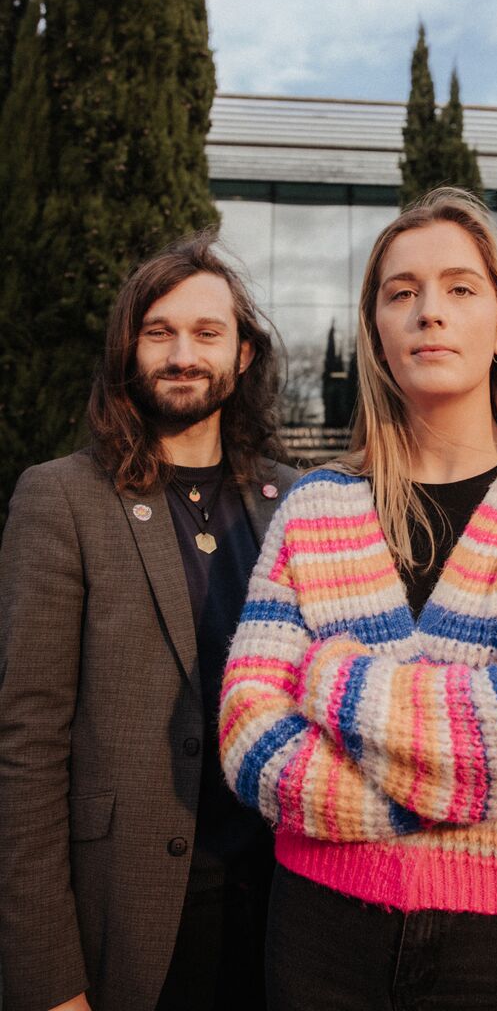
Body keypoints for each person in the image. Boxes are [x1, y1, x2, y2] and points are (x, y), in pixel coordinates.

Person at [220, 187, 497, 1011]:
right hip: (323, 936)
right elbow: (249, 740)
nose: (427, 312)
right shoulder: (314, 507)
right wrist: (479, 740)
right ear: (376, 330)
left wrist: (331, 677)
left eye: (458, 288)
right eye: (400, 293)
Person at [0, 231, 297, 1011]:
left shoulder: (299, 500)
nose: (181, 354)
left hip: (287, 913)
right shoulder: (60, 499)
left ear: (242, 355)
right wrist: (47, 979)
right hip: (132, 917)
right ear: (128, 349)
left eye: (206, 333)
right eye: (158, 332)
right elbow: (25, 745)